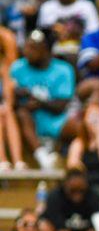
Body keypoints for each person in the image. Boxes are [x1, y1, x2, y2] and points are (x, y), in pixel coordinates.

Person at [10, 29, 75, 170]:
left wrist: (36, 100)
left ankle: (75, 164)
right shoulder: (17, 67)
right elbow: (11, 104)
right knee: (21, 113)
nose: (26, 51)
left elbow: (60, 106)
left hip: (56, 121)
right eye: (26, 46)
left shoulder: (64, 69)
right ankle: (43, 158)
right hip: (28, 122)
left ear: (45, 50)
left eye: (32, 48)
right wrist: (17, 96)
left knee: (78, 125)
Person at [0, 26, 27, 171]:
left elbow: (8, 99)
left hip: (4, 109)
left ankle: (18, 161)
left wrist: (6, 106)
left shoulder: (5, 67)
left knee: (8, 112)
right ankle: (2, 160)